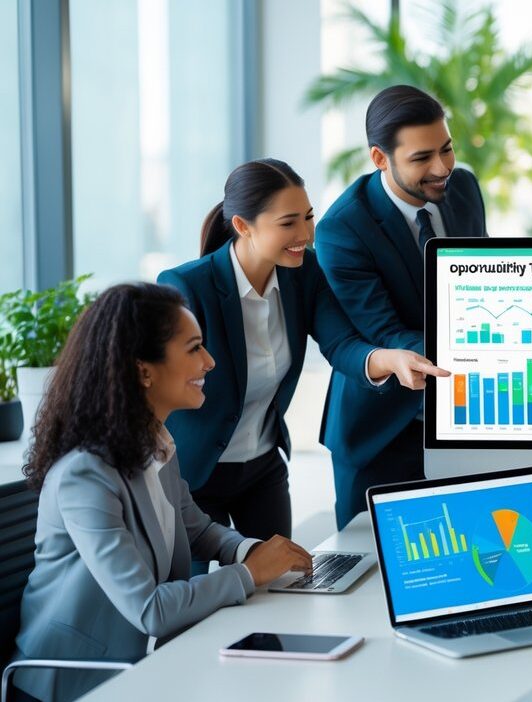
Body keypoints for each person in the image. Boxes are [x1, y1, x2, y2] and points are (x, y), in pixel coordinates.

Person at [9, 284, 314, 702]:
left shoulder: (155, 444)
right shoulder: (85, 475)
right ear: (144, 372)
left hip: (147, 665)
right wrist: (248, 574)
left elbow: (197, 529)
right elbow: (149, 609)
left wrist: (253, 550)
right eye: (194, 348)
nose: (209, 362)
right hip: (76, 684)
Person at [158, 158, 448, 555]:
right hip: (194, 474)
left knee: (283, 579)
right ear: (243, 225)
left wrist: (392, 360)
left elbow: (342, 344)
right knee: (201, 589)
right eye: (288, 223)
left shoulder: (302, 272)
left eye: (309, 217)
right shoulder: (188, 286)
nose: (306, 234)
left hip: (261, 471)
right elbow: (161, 386)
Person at [315, 85, 488, 529]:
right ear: (380, 158)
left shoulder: (464, 188)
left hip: (460, 422)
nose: (442, 168)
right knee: (378, 563)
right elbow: (385, 331)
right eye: (422, 157)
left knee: (474, 550)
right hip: (382, 431)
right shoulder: (343, 228)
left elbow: (481, 285)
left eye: (446, 149)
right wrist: (484, 361)